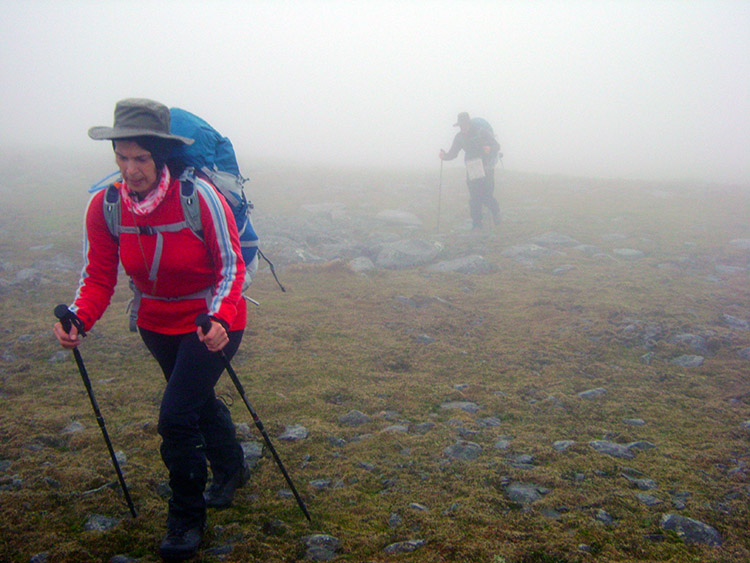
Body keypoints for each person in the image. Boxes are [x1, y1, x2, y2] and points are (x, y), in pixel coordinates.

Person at [53, 98, 248, 561]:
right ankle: (231, 467)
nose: (131, 168)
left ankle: (185, 520)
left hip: (211, 324)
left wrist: (220, 319)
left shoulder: (199, 197)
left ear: (160, 155)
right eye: (122, 157)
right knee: (194, 400)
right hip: (155, 324)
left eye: (140, 158)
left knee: (174, 417)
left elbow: (230, 267)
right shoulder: (106, 206)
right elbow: (98, 275)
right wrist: (79, 317)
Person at [439, 112, 502, 230]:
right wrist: (444, 156)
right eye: (460, 125)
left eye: (464, 125)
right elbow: (453, 153)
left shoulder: (481, 132)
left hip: (486, 165)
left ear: (469, 123)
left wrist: (490, 148)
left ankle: (495, 211)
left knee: (486, 195)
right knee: (474, 197)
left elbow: (496, 146)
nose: (462, 127)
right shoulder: (459, 137)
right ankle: (477, 224)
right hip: (472, 166)